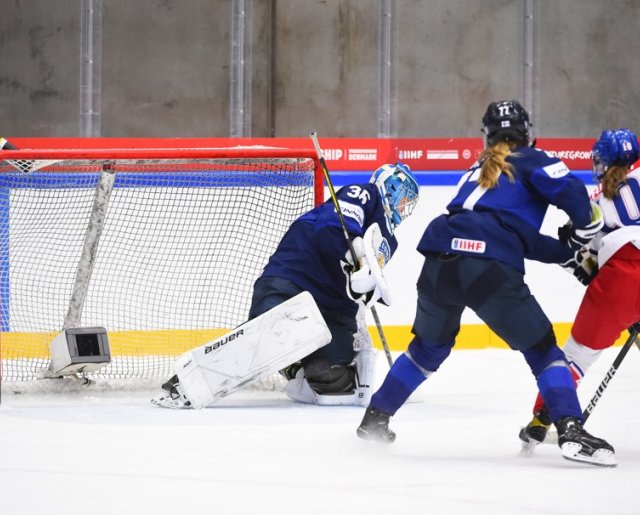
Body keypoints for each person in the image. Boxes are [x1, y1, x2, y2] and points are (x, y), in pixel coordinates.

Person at [355, 99, 617, 467]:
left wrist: (563, 251)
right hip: (488, 270)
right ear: (527, 132)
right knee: (544, 352)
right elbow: (572, 195)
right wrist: (583, 233)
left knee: (426, 350)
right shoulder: (532, 159)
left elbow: (511, 233)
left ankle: (376, 418)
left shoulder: (478, 170)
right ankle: (571, 427)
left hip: (438, 264)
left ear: (486, 135)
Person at [154, 162, 420, 407]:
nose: (404, 206)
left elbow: (363, 282)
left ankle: (295, 367)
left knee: (333, 379)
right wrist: (354, 258)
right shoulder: (364, 193)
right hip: (295, 280)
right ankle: (187, 381)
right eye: (404, 197)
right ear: (391, 186)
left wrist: (367, 291)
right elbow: (330, 228)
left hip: (334, 311)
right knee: (270, 334)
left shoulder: (390, 241)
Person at [519, 128, 640, 450]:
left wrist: (581, 261)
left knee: (576, 358)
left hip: (621, 280)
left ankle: (541, 419)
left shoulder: (597, 199)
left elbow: (586, 258)